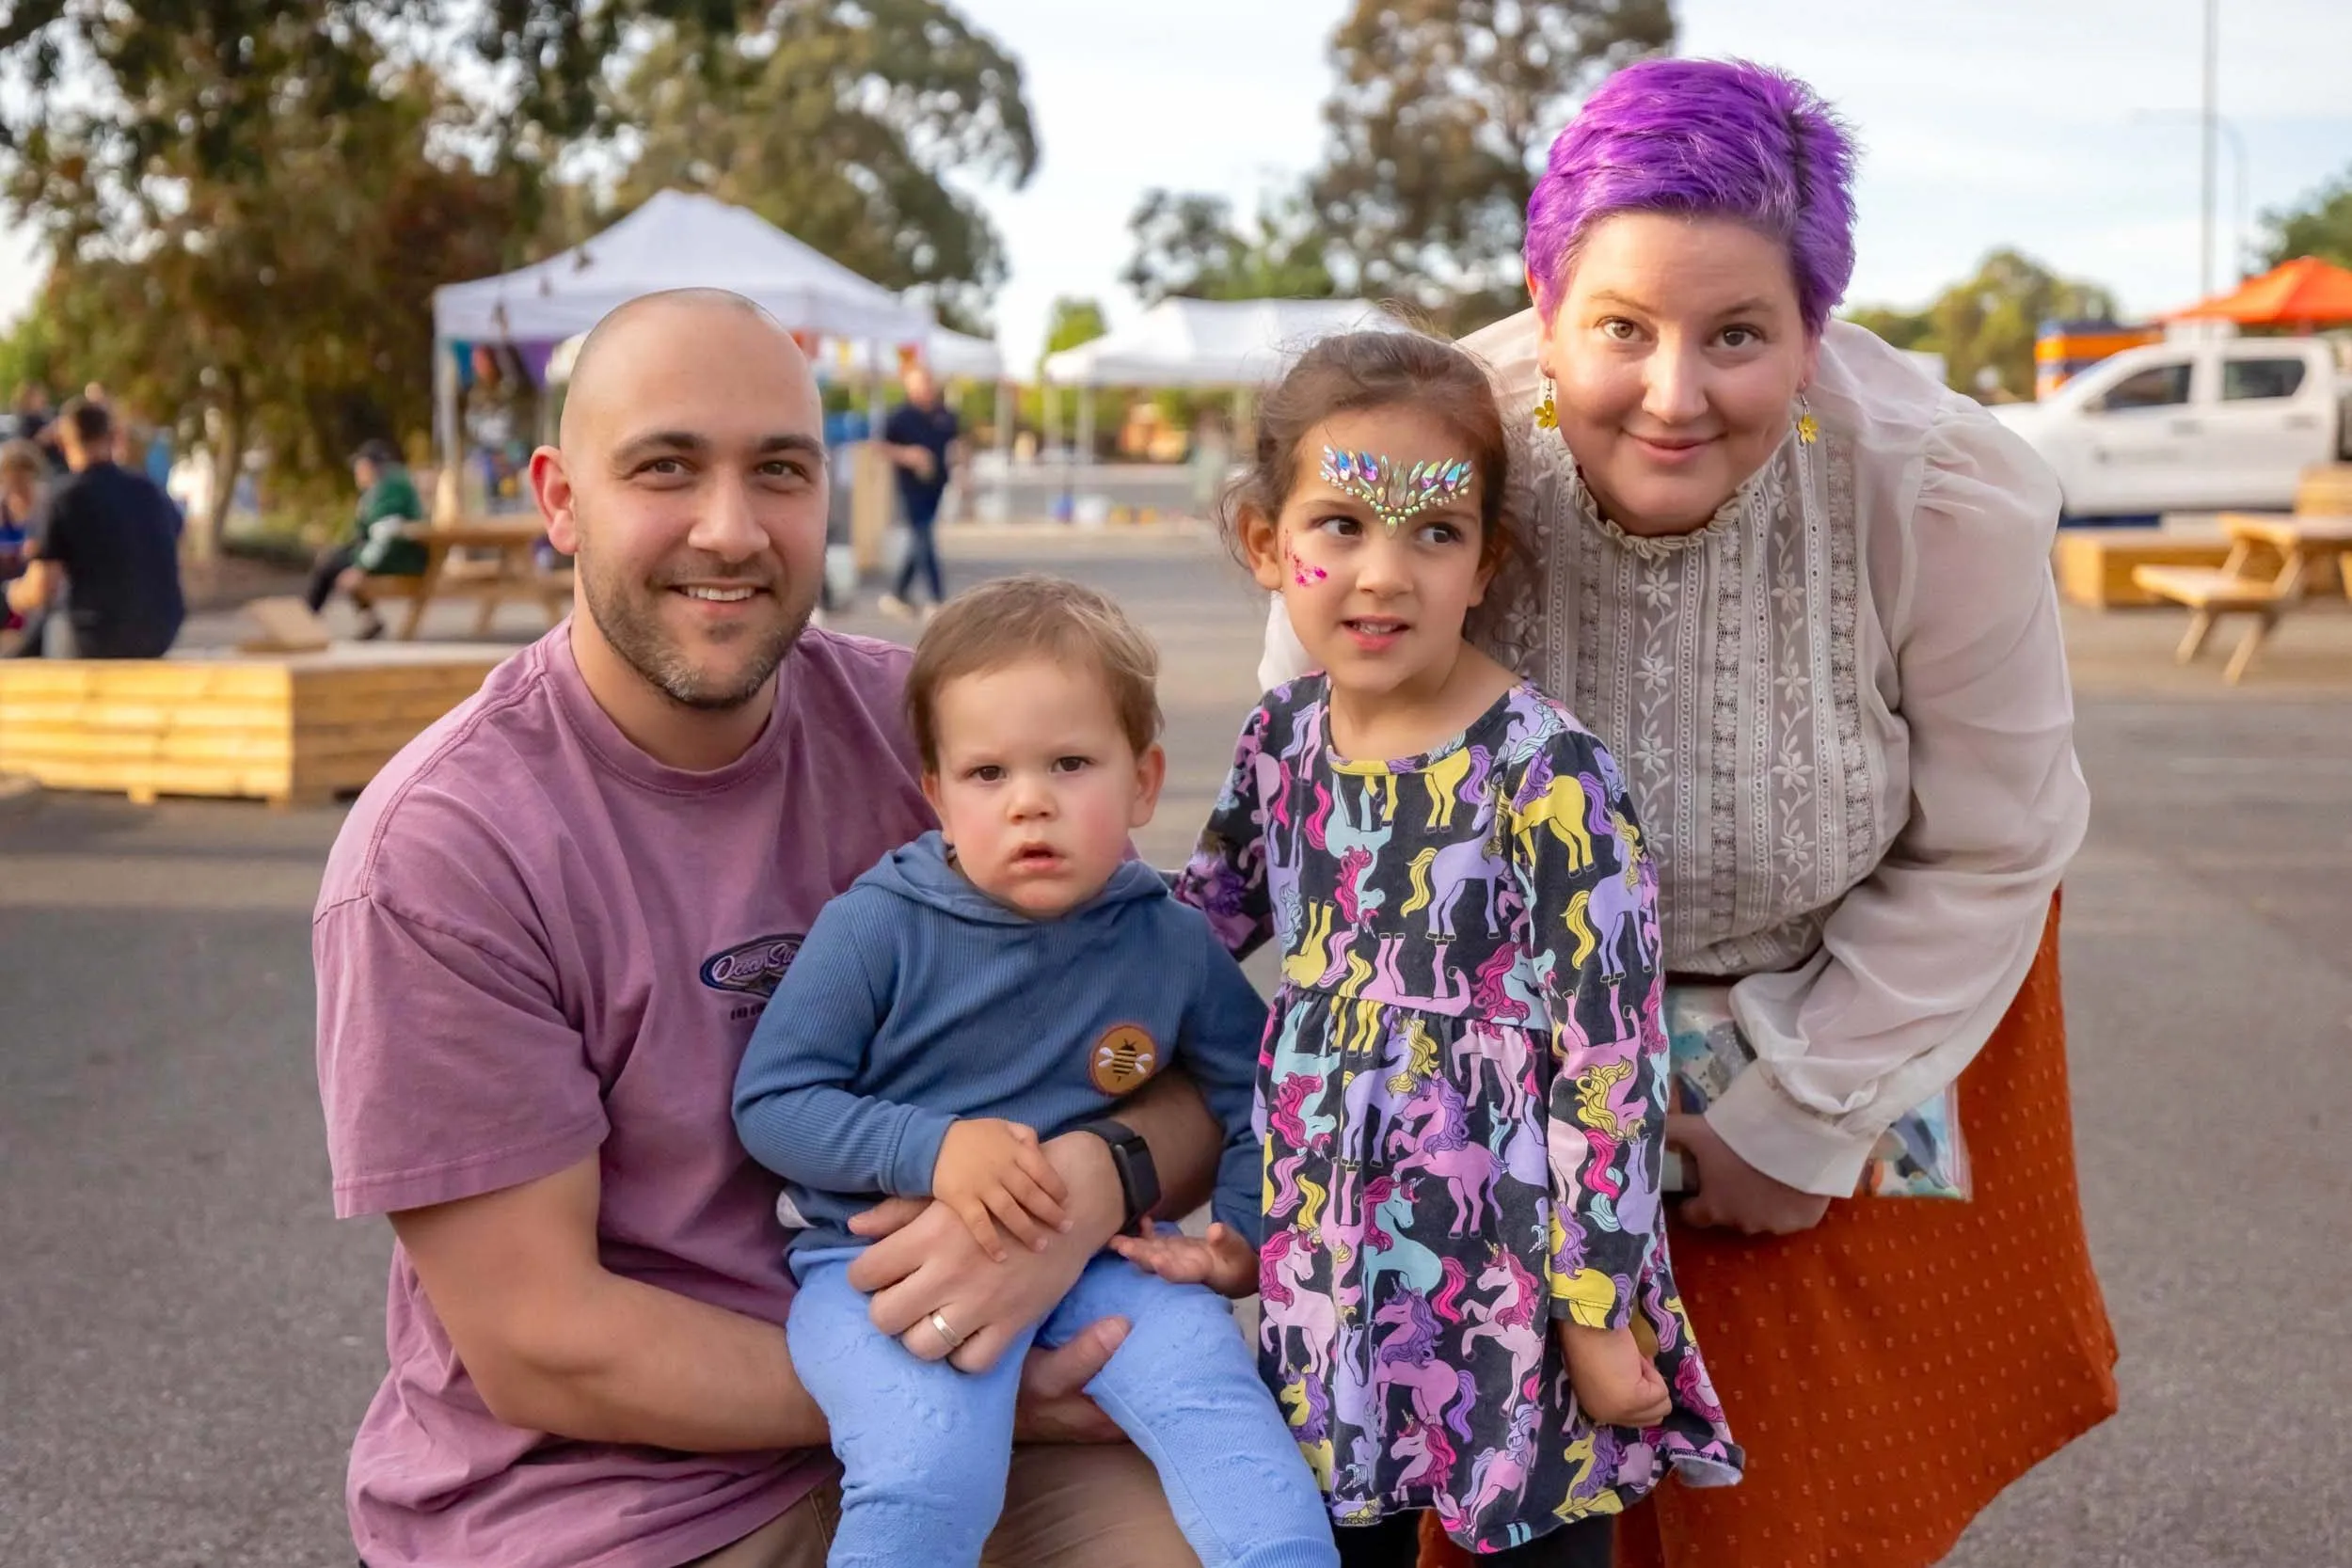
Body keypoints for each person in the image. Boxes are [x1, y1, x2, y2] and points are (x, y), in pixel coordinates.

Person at [1260, 60, 2117, 1568]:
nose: (1675, 393)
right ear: (1545, 304)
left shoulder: (1939, 488)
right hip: (1491, 1049)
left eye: (1739, 335)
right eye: (1621, 329)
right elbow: (1327, 811)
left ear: (1815, 328)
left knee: (1788, 1516)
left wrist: (1799, 1117)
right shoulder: (1409, 462)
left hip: (1843, 997)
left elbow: (1997, 840)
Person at [312, 288, 1230, 1568]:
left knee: (1232, 1528)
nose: (731, 528)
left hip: (973, 1407)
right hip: (605, 1496)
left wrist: (1098, 1178)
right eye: (666, 467)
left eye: (780, 470)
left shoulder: (929, 734)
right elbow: (541, 1341)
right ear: (560, 498)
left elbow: (1187, 1064)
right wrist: (960, 1393)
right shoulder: (445, 849)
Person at [1132, 330, 1740, 1567]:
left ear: (1486, 561)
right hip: (1330, 1261)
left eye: (1433, 531)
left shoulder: (1547, 772)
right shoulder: (1281, 740)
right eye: (1341, 525)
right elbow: (1195, 922)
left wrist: (1592, 1309)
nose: (1383, 573)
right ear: (1267, 545)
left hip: (1513, 1274)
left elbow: (1612, 1064)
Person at [733, 573, 1336, 1568]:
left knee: (1235, 1427)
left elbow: (1260, 1088)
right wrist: (931, 1147)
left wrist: (1238, 1233)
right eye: (986, 774)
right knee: (930, 1470)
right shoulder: (876, 926)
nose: (1029, 803)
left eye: (1069, 763)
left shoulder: (1169, 941)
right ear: (932, 791)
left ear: (1143, 780)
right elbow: (772, 1103)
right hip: (879, 1271)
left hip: (1108, 1266)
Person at [5, 397, 183, 659]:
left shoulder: (63, 497)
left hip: (96, 639)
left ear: (65, 441)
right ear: (110, 437)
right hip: (161, 634)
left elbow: (40, 588)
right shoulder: (149, 491)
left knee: (48, 618)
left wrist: (10, 595)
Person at [304, 438, 427, 638]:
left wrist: (361, 568)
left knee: (333, 565)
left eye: (359, 467)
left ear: (369, 466)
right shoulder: (381, 487)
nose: (356, 473)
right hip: (393, 555)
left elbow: (385, 534)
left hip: (400, 558)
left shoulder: (390, 489)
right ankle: (368, 619)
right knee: (335, 560)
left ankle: (307, 620)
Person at [878, 361, 960, 620]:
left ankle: (898, 593)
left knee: (919, 540)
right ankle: (936, 598)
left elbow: (956, 443)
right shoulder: (900, 417)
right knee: (924, 536)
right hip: (911, 486)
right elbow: (881, 446)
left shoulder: (944, 414)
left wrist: (960, 462)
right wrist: (908, 455)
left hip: (937, 485)